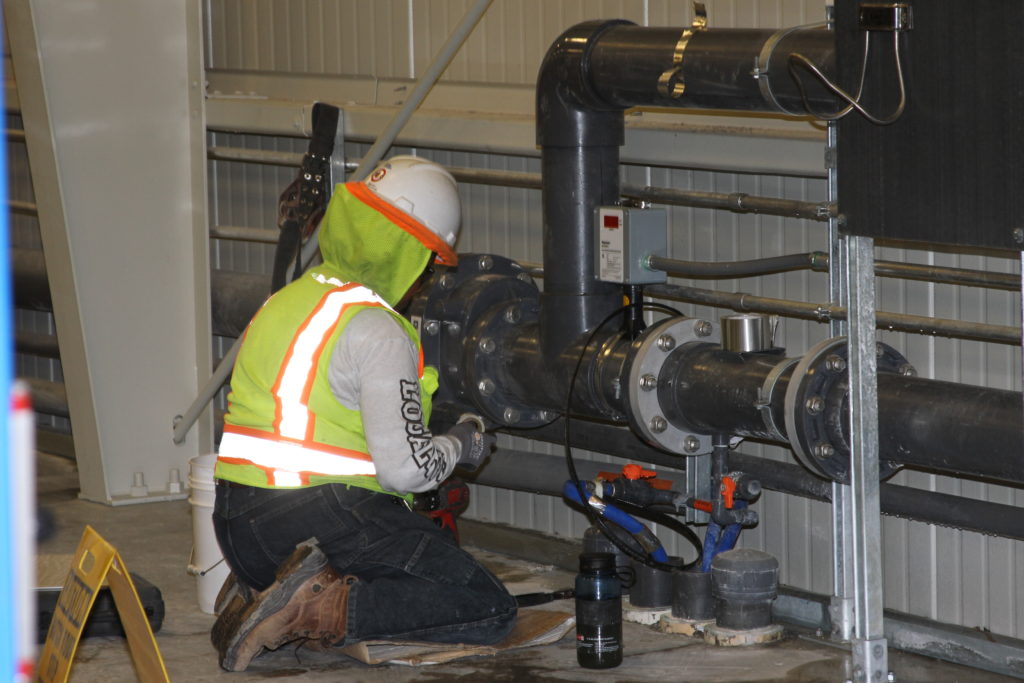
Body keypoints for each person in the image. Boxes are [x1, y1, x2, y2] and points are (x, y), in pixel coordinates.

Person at [209, 156, 517, 671]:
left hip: (238, 527)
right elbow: (407, 471)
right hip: (315, 515)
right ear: (412, 252)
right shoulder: (376, 328)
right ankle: (314, 607)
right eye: (429, 263)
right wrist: (462, 443)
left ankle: (268, 589)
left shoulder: (287, 301)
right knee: (483, 604)